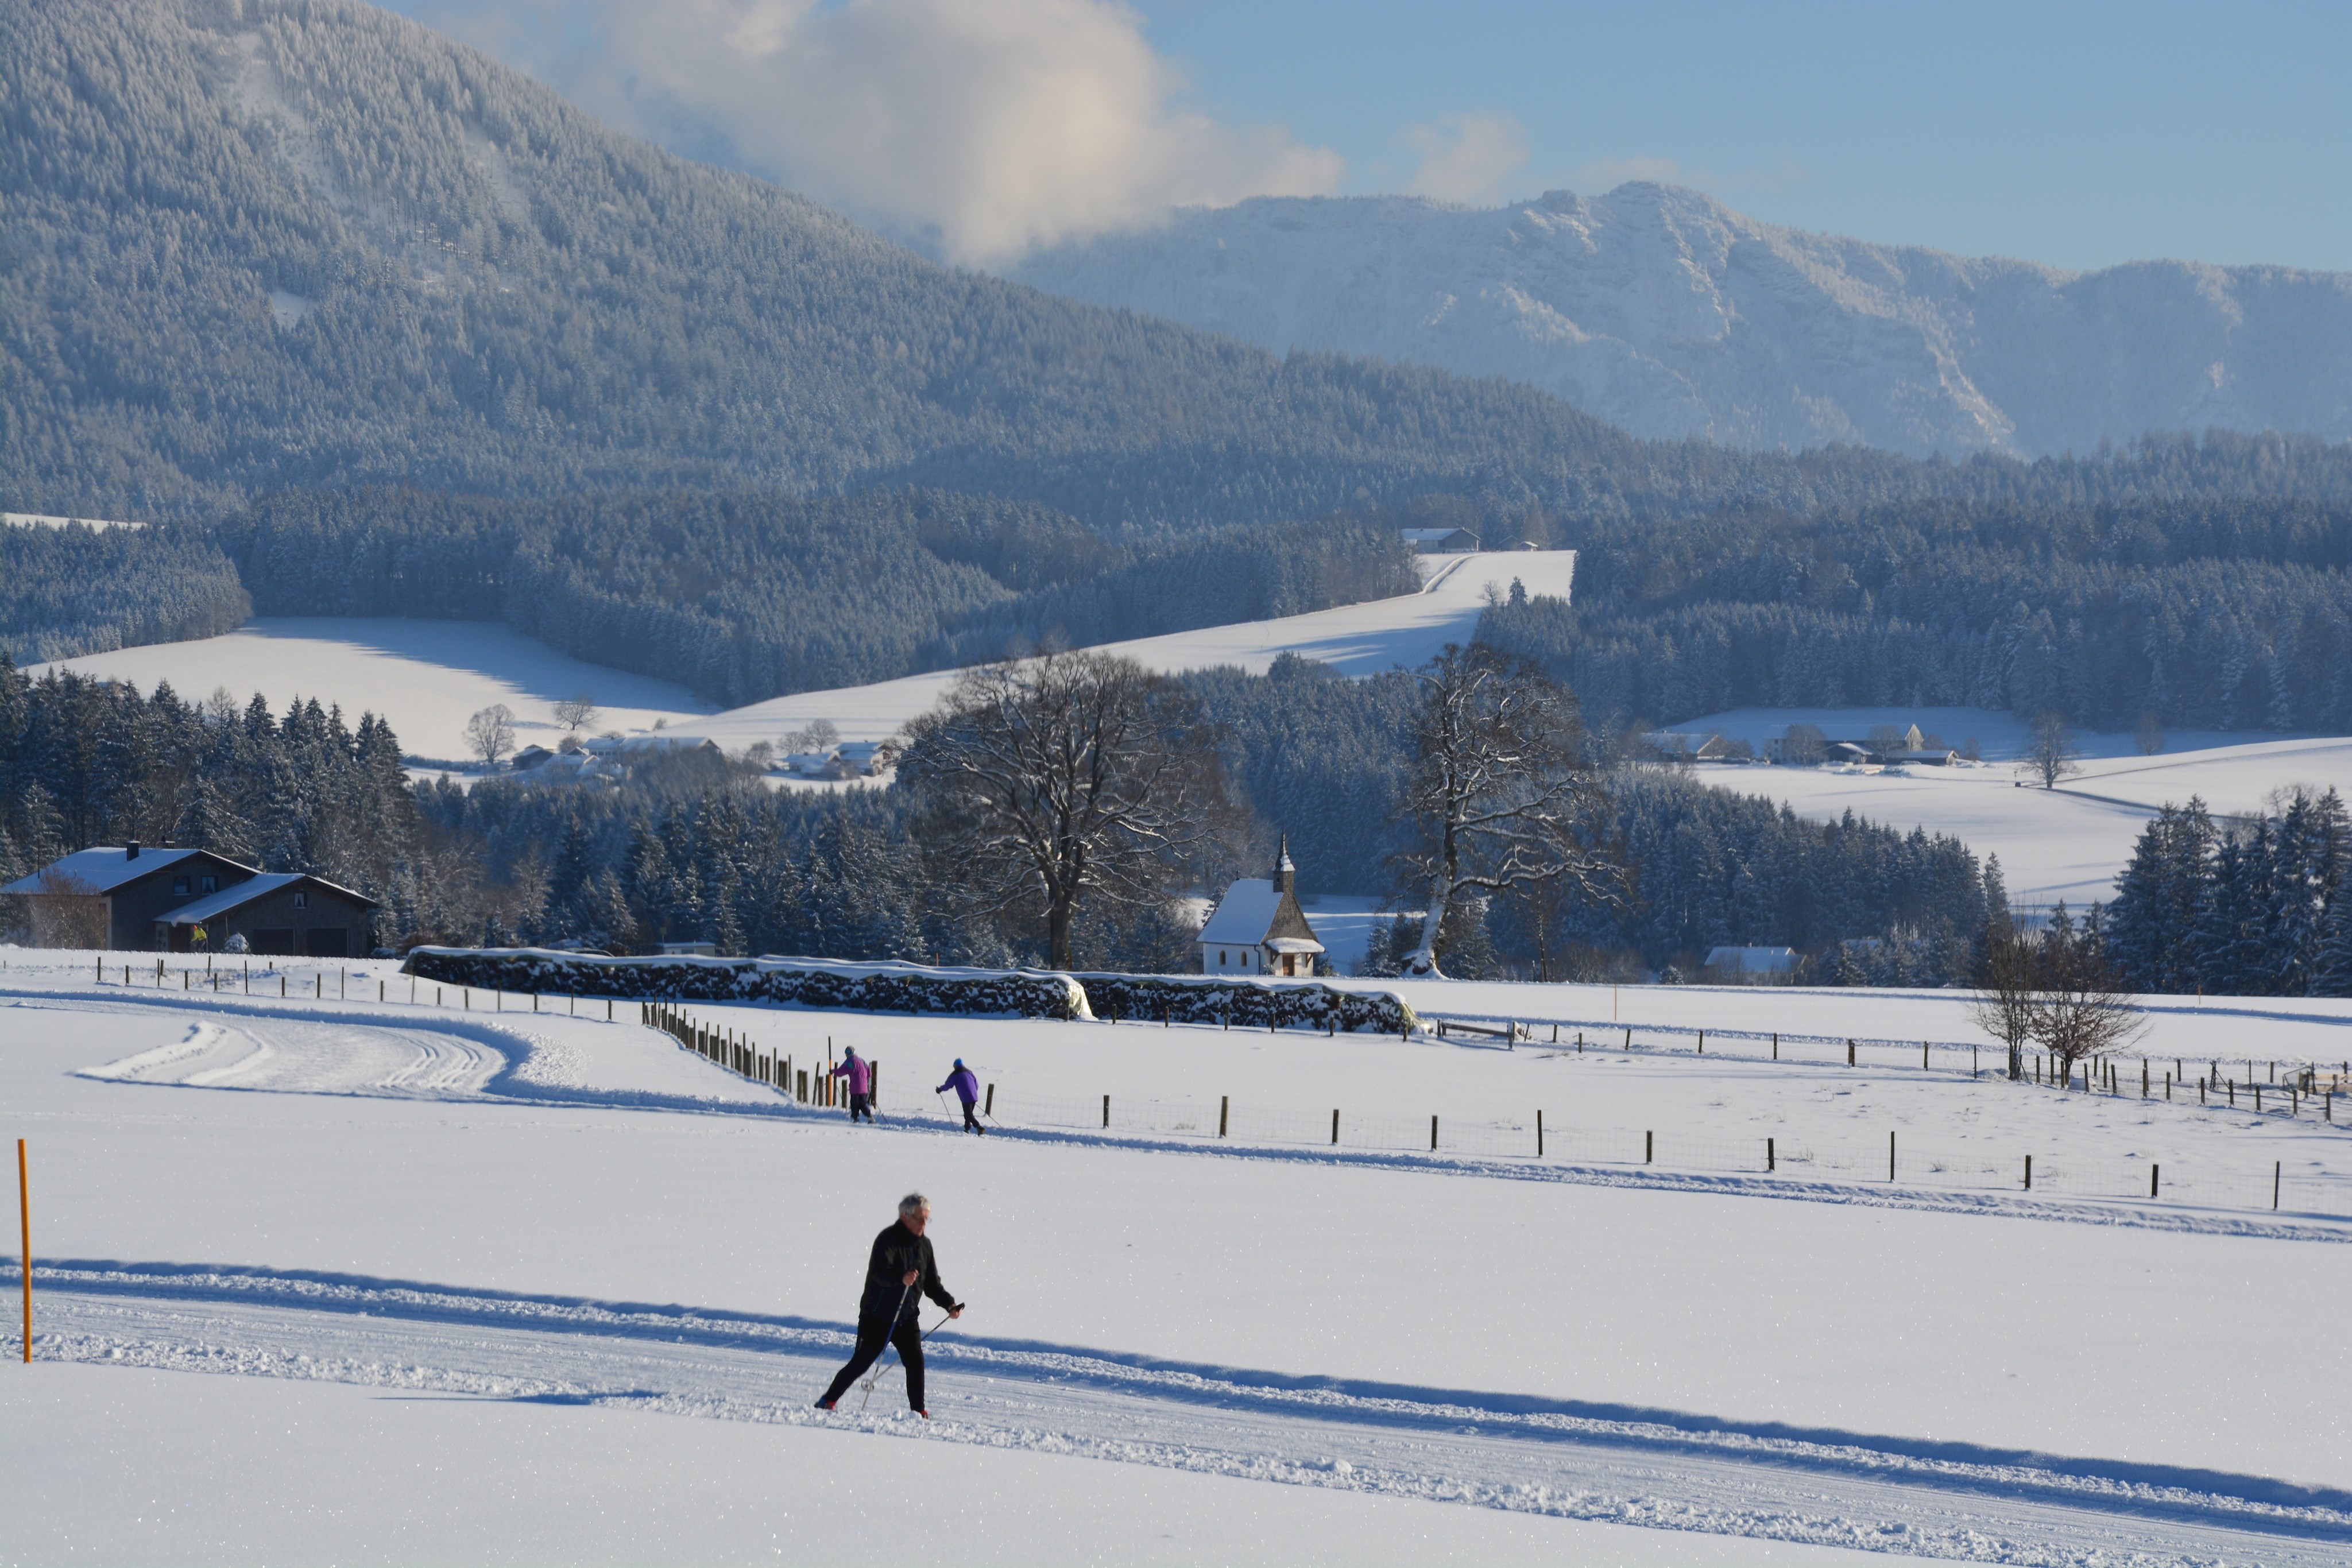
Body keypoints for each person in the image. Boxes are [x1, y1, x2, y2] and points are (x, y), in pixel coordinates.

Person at [815, 1193, 964, 1416]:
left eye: (927, 1219)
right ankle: (828, 1400)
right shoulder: (888, 1240)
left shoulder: (925, 1246)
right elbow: (878, 1274)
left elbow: (931, 1284)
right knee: (861, 1363)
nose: (924, 1224)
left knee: (915, 1363)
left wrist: (949, 1305)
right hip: (877, 1316)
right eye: (919, 1218)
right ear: (905, 1216)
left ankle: (918, 1411)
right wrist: (900, 1279)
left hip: (907, 1317)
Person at [937, 1058, 984, 1134]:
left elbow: (948, 1085)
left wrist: (940, 1089)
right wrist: (973, 1093)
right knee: (968, 1114)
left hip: (966, 1097)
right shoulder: (969, 1072)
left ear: (956, 1066)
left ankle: (979, 1127)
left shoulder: (956, 1074)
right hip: (974, 1096)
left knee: (968, 1114)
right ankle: (967, 1129)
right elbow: (977, 1085)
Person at [830, 1047, 873, 1122]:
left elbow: (841, 1072)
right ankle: (870, 1116)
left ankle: (855, 1118)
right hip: (864, 1087)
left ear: (848, 1053)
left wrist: (833, 1071)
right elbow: (869, 1072)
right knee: (862, 1104)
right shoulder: (862, 1060)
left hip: (855, 1087)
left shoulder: (849, 1062)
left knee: (854, 1104)